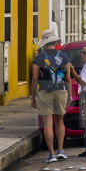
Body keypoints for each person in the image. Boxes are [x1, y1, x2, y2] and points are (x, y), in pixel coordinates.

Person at [30, 27, 73, 163]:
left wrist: (32, 96)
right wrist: (70, 95)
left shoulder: (39, 58)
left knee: (48, 123)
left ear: (44, 43)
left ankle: (51, 153)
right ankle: (61, 149)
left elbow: (35, 78)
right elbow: (68, 78)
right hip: (61, 91)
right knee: (60, 122)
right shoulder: (64, 56)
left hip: (44, 92)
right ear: (54, 42)